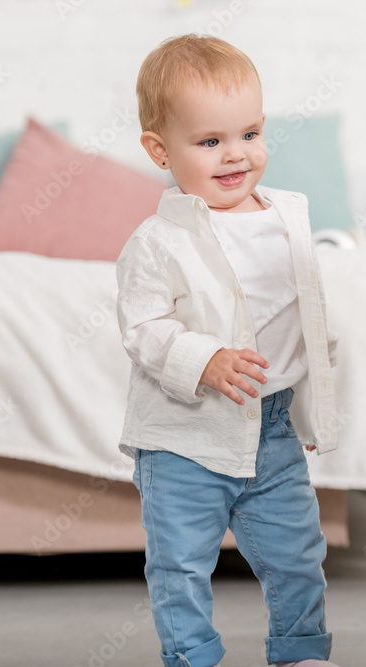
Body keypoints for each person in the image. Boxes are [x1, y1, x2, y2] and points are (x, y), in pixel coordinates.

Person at [115, 34, 341, 667]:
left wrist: (308, 410)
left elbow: (308, 326)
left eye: (249, 134)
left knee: (298, 554)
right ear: (159, 149)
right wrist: (204, 360)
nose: (236, 155)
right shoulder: (159, 240)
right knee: (180, 563)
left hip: (271, 430)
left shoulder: (287, 220)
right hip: (184, 438)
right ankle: (192, 656)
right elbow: (142, 327)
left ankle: (301, 651)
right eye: (210, 142)